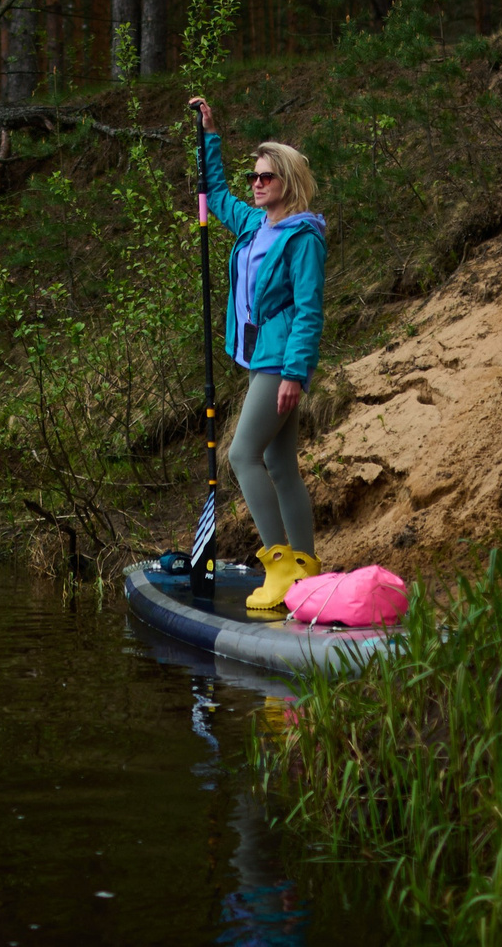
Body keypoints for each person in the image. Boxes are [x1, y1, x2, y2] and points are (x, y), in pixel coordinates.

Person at [187, 95, 328, 614]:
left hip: (279, 363)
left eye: (266, 177)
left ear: (287, 182)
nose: (256, 183)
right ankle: (307, 572)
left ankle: (278, 567)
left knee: (242, 455)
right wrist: (208, 136)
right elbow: (217, 193)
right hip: (260, 360)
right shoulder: (254, 226)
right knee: (279, 462)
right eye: (254, 177)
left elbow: (310, 310)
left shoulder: (302, 236)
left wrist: (295, 372)